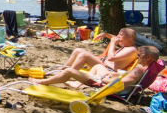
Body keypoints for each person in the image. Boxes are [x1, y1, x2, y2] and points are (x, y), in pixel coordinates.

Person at [31, 45, 159, 87]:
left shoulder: (139, 71)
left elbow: (122, 84)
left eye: (140, 55)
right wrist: (115, 74)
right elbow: (125, 77)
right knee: (98, 67)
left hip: (105, 84)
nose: (137, 57)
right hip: (111, 78)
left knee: (69, 71)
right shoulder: (145, 69)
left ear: (148, 57)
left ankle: (43, 82)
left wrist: (105, 78)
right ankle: (78, 84)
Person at [61, 27, 138, 72]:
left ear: (129, 38)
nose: (118, 36)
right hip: (103, 64)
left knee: (84, 56)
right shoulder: (125, 45)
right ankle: (65, 68)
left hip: (108, 70)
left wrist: (113, 44)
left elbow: (111, 58)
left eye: (120, 35)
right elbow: (114, 37)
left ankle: (70, 73)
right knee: (78, 50)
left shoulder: (132, 50)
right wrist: (105, 34)